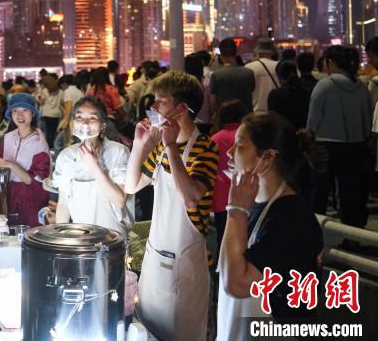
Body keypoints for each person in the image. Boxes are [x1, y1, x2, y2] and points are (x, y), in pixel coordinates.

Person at [124, 71, 218, 341]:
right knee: (149, 327)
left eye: (161, 101)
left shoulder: (205, 148)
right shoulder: (162, 148)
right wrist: (140, 145)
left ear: (182, 108)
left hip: (187, 262)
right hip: (156, 255)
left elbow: (191, 197)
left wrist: (171, 148)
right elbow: (131, 186)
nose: (153, 108)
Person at [217, 112, 323, 339]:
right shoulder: (253, 205)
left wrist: (235, 211)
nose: (229, 152)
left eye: (240, 145)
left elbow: (237, 284)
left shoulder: (292, 218)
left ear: (267, 157)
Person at [307, 46, 371, 228]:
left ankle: (315, 233)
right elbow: (367, 117)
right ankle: (353, 235)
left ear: (330, 63)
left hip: (325, 146)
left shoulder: (325, 85)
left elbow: (313, 119)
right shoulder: (360, 86)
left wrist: (309, 138)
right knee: (351, 191)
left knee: (319, 192)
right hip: (356, 145)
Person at [54, 96, 134, 235]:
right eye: (79, 118)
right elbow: (63, 205)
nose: (85, 124)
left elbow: (119, 201)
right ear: (73, 123)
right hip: (80, 237)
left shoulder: (118, 152)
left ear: (102, 126)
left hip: (113, 237)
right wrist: (61, 237)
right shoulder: (66, 156)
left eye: (92, 118)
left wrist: (94, 165)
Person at [0, 93, 50, 227]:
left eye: (24, 110)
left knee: (30, 236)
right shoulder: (8, 137)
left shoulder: (39, 143)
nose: (19, 115)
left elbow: (35, 182)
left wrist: (9, 164)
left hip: (32, 199)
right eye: (15, 110)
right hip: (10, 195)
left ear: (33, 114)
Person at [210, 99, 249, 258]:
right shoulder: (246, 137)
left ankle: (221, 277)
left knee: (223, 241)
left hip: (221, 199)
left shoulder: (214, 139)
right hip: (246, 195)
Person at [210, 38, 255, 113]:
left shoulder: (216, 75)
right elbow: (252, 90)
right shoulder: (249, 73)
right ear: (236, 54)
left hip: (225, 118)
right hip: (245, 118)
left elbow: (213, 103)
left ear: (221, 56)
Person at [267, 59, 311, 131]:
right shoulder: (307, 92)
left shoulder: (275, 95)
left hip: (283, 135)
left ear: (279, 76)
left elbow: (272, 120)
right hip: (303, 135)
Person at [245, 37, 279, 111]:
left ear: (257, 52)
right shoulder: (279, 66)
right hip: (276, 112)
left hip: (256, 111)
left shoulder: (249, 67)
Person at [37, 74, 63, 148]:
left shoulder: (45, 90)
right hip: (56, 114)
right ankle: (52, 146)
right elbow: (62, 102)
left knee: (47, 132)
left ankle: (48, 147)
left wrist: (38, 99)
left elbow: (42, 103)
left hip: (47, 113)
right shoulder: (60, 91)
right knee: (53, 132)